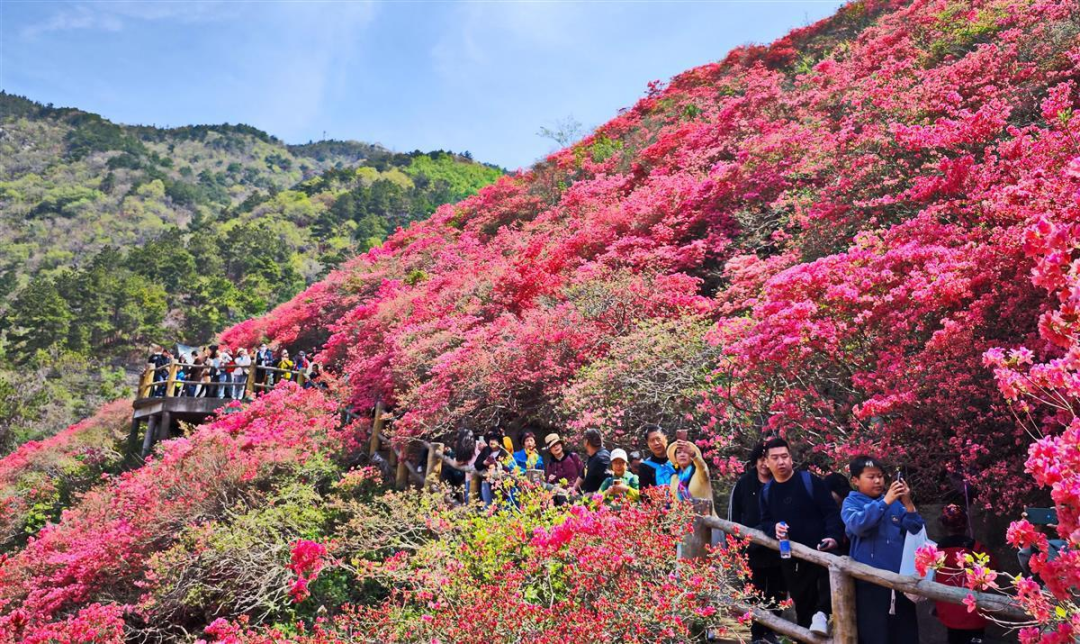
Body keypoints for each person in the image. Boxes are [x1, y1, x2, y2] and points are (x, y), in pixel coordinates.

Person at [758, 437, 843, 636]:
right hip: (792, 558)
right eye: (775, 458)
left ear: (791, 458)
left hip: (821, 551)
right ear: (767, 462)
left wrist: (833, 537)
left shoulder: (809, 481)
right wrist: (774, 529)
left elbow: (831, 512)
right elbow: (765, 521)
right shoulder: (767, 492)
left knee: (823, 602)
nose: (781, 462)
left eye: (785, 456)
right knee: (803, 607)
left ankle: (822, 614)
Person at [841, 455, 924, 644]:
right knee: (875, 636)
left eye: (880, 476)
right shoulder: (851, 503)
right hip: (869, 585)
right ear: (855, 480)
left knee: (905, 636)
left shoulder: (895, 504)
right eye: (871, 477)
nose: (878, 481)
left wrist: (907, 502)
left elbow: (915, 528)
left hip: (900, 582)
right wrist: (885, 502)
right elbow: (858, 526)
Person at [729, 442, 786, 644]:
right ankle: (756, 633)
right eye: (760, 459)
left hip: (778, 550)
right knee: (755, 591)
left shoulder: (781, 482)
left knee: (778, 590)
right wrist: (736, 546)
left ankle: (772, 631)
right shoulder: (744, 484)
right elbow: (734, 517)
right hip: (751, 549)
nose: (764, 464)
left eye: (766, 459)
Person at [934, 505, 995, 644]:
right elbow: (994, 569)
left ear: (943, 525)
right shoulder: (978, 549)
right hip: (975, 613)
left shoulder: (937, 551)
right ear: (966, 524)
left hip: (949, 613)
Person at [667, 438, 717, 515]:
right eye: (679, 452)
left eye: (686, 452)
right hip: (685, 523)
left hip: (707, 522)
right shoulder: (674, 478)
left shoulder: (700, 473)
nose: (682, 454)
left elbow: (703, 467)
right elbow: (673, 503)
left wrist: (693, 455)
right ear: (676, 458)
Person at [474, 430, 514, 506]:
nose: (492, 441)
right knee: (487, 504)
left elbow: (509, 468)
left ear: (499, 443)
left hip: (500, 483)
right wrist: (484, 463)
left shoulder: (504, 453)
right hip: (486, 481)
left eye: (494, 440)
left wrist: (497, 465)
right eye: (491, 440)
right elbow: (477, 464)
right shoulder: (486, 451)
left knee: (499, 504)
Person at [544, 433, 584, 502]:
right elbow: (550, 485)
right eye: (553, 445)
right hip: (561, 497)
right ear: (549, 450)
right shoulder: (551, 465)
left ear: (561, 444)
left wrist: (574, 488)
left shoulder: (573, 457)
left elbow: (582, 473)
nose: (556, 446)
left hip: (577, 494)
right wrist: (550, 481)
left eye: (557, 444)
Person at [639, 424, 676, 490]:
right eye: (652, 440)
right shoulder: (645, 467)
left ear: (666, 439)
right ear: (648, 444)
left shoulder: (677, 461)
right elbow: (644, 493)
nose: (656, 443)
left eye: (658, 439)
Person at [580, 428, 611, 494]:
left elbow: (610, 482)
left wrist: (594, 494)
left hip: (598, 500)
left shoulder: (602, 458)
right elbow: (582, 475)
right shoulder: (592, 456)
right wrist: (573, 489)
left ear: (586, 442)